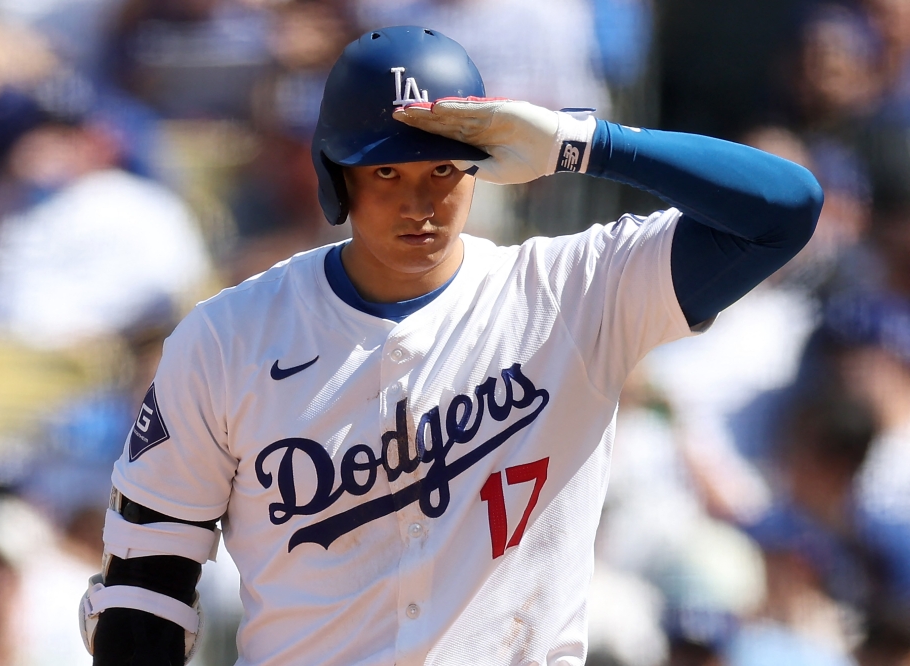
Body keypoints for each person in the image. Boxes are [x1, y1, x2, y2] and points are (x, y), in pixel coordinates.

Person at [78, 26, 822, 666]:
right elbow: (146, 583)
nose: (420, 202)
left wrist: (581, 143)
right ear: (339, 177)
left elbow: (785, 209)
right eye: (387, 172)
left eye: (442, 167)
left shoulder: (571, 292)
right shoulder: (228, 335)